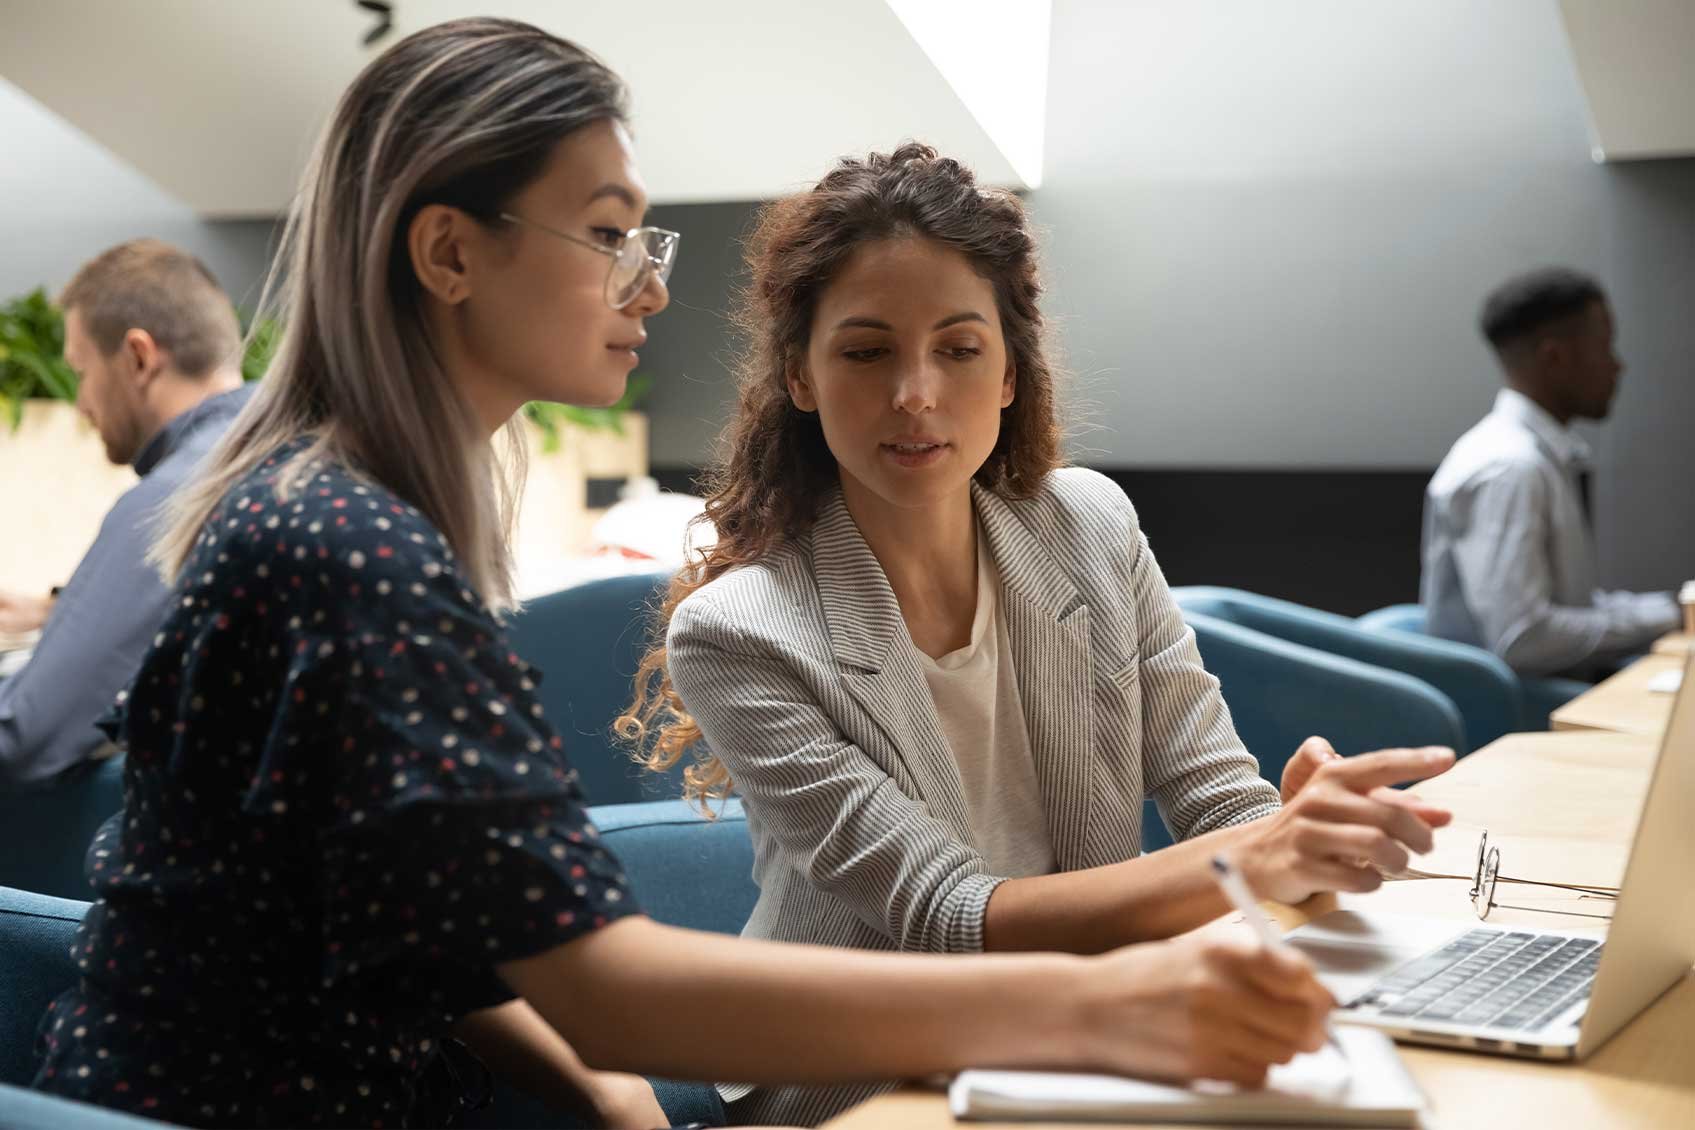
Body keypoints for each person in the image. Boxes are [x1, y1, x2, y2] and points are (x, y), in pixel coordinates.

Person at [32, 20, 1336, 1130]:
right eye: (610, 236)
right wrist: (1108, 1002)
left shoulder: (340, 511)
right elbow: (606, 983)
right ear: (447, 254)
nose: (645, 292)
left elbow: (409, 903)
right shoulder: (352, 549)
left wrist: (599, 1089)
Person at [622, 143, 1456, 1126]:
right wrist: (1260, 854)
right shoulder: (742, 630)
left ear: (1011, 369)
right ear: (800, 375)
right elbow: (948, 916)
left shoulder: (1092, 527)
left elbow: (1215, 795)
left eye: (959, 347)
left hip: (1111, 1045)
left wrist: (1299, 841)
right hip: (870, 1086)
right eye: (866, 349)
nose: (917, 392)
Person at [0, 240, 251, 787]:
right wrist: (54, 612)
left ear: (138, 356)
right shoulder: (274, 453)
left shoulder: (180, 495)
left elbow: (27, 734)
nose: (80, 402)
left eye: (81, 371)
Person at [1422, 267, 1681, 678]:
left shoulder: (1535, 456)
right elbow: (1524, 639)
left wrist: (1674, 609)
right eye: (1606, 347)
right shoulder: (1511, 468)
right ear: (1555, 357)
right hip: (1516, 716)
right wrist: (1668, 619)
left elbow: (1570, 608)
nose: (1618, 366)